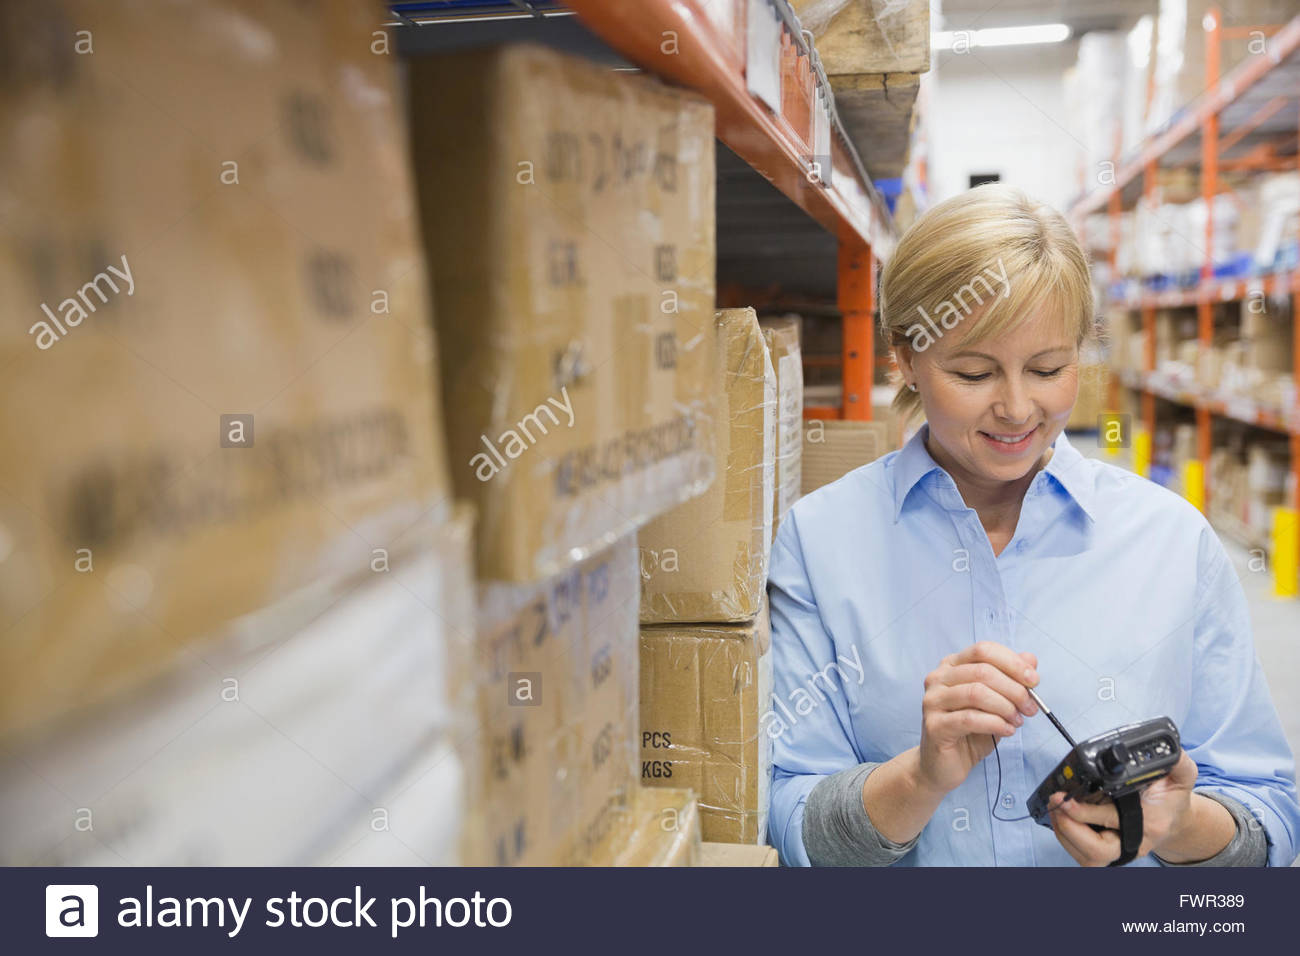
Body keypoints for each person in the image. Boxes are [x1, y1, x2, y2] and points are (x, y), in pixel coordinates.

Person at [766, 183, 1300, 867]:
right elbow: (790, 823)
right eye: (974, 373)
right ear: (904, 357)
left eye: (1048, 368)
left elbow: (1268, 820)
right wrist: (919, 779)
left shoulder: (1172, 539)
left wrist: (1179, 824)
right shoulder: (820, 541)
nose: (1018, 408)